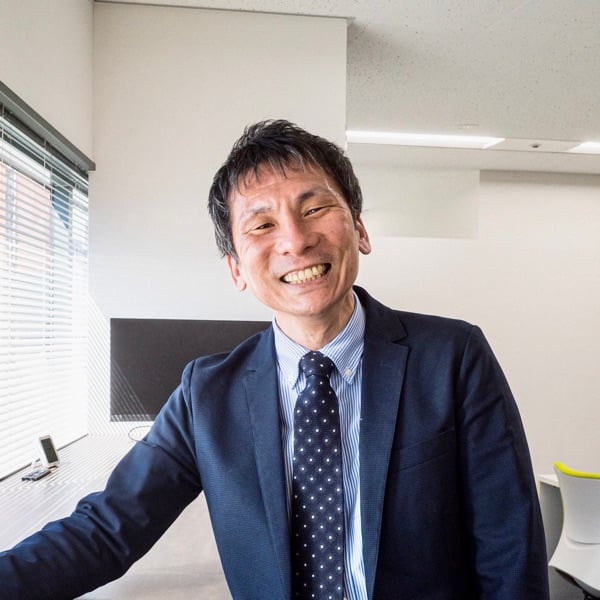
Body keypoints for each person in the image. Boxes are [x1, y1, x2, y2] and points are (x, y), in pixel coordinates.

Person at [0, 120, 549, 599]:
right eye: (262, 225)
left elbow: (509, 543)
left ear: (359, 229)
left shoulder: (453, 358)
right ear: (236, 268)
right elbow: (106, 529)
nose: (295, 240)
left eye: (315, 209)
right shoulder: (206, 394)